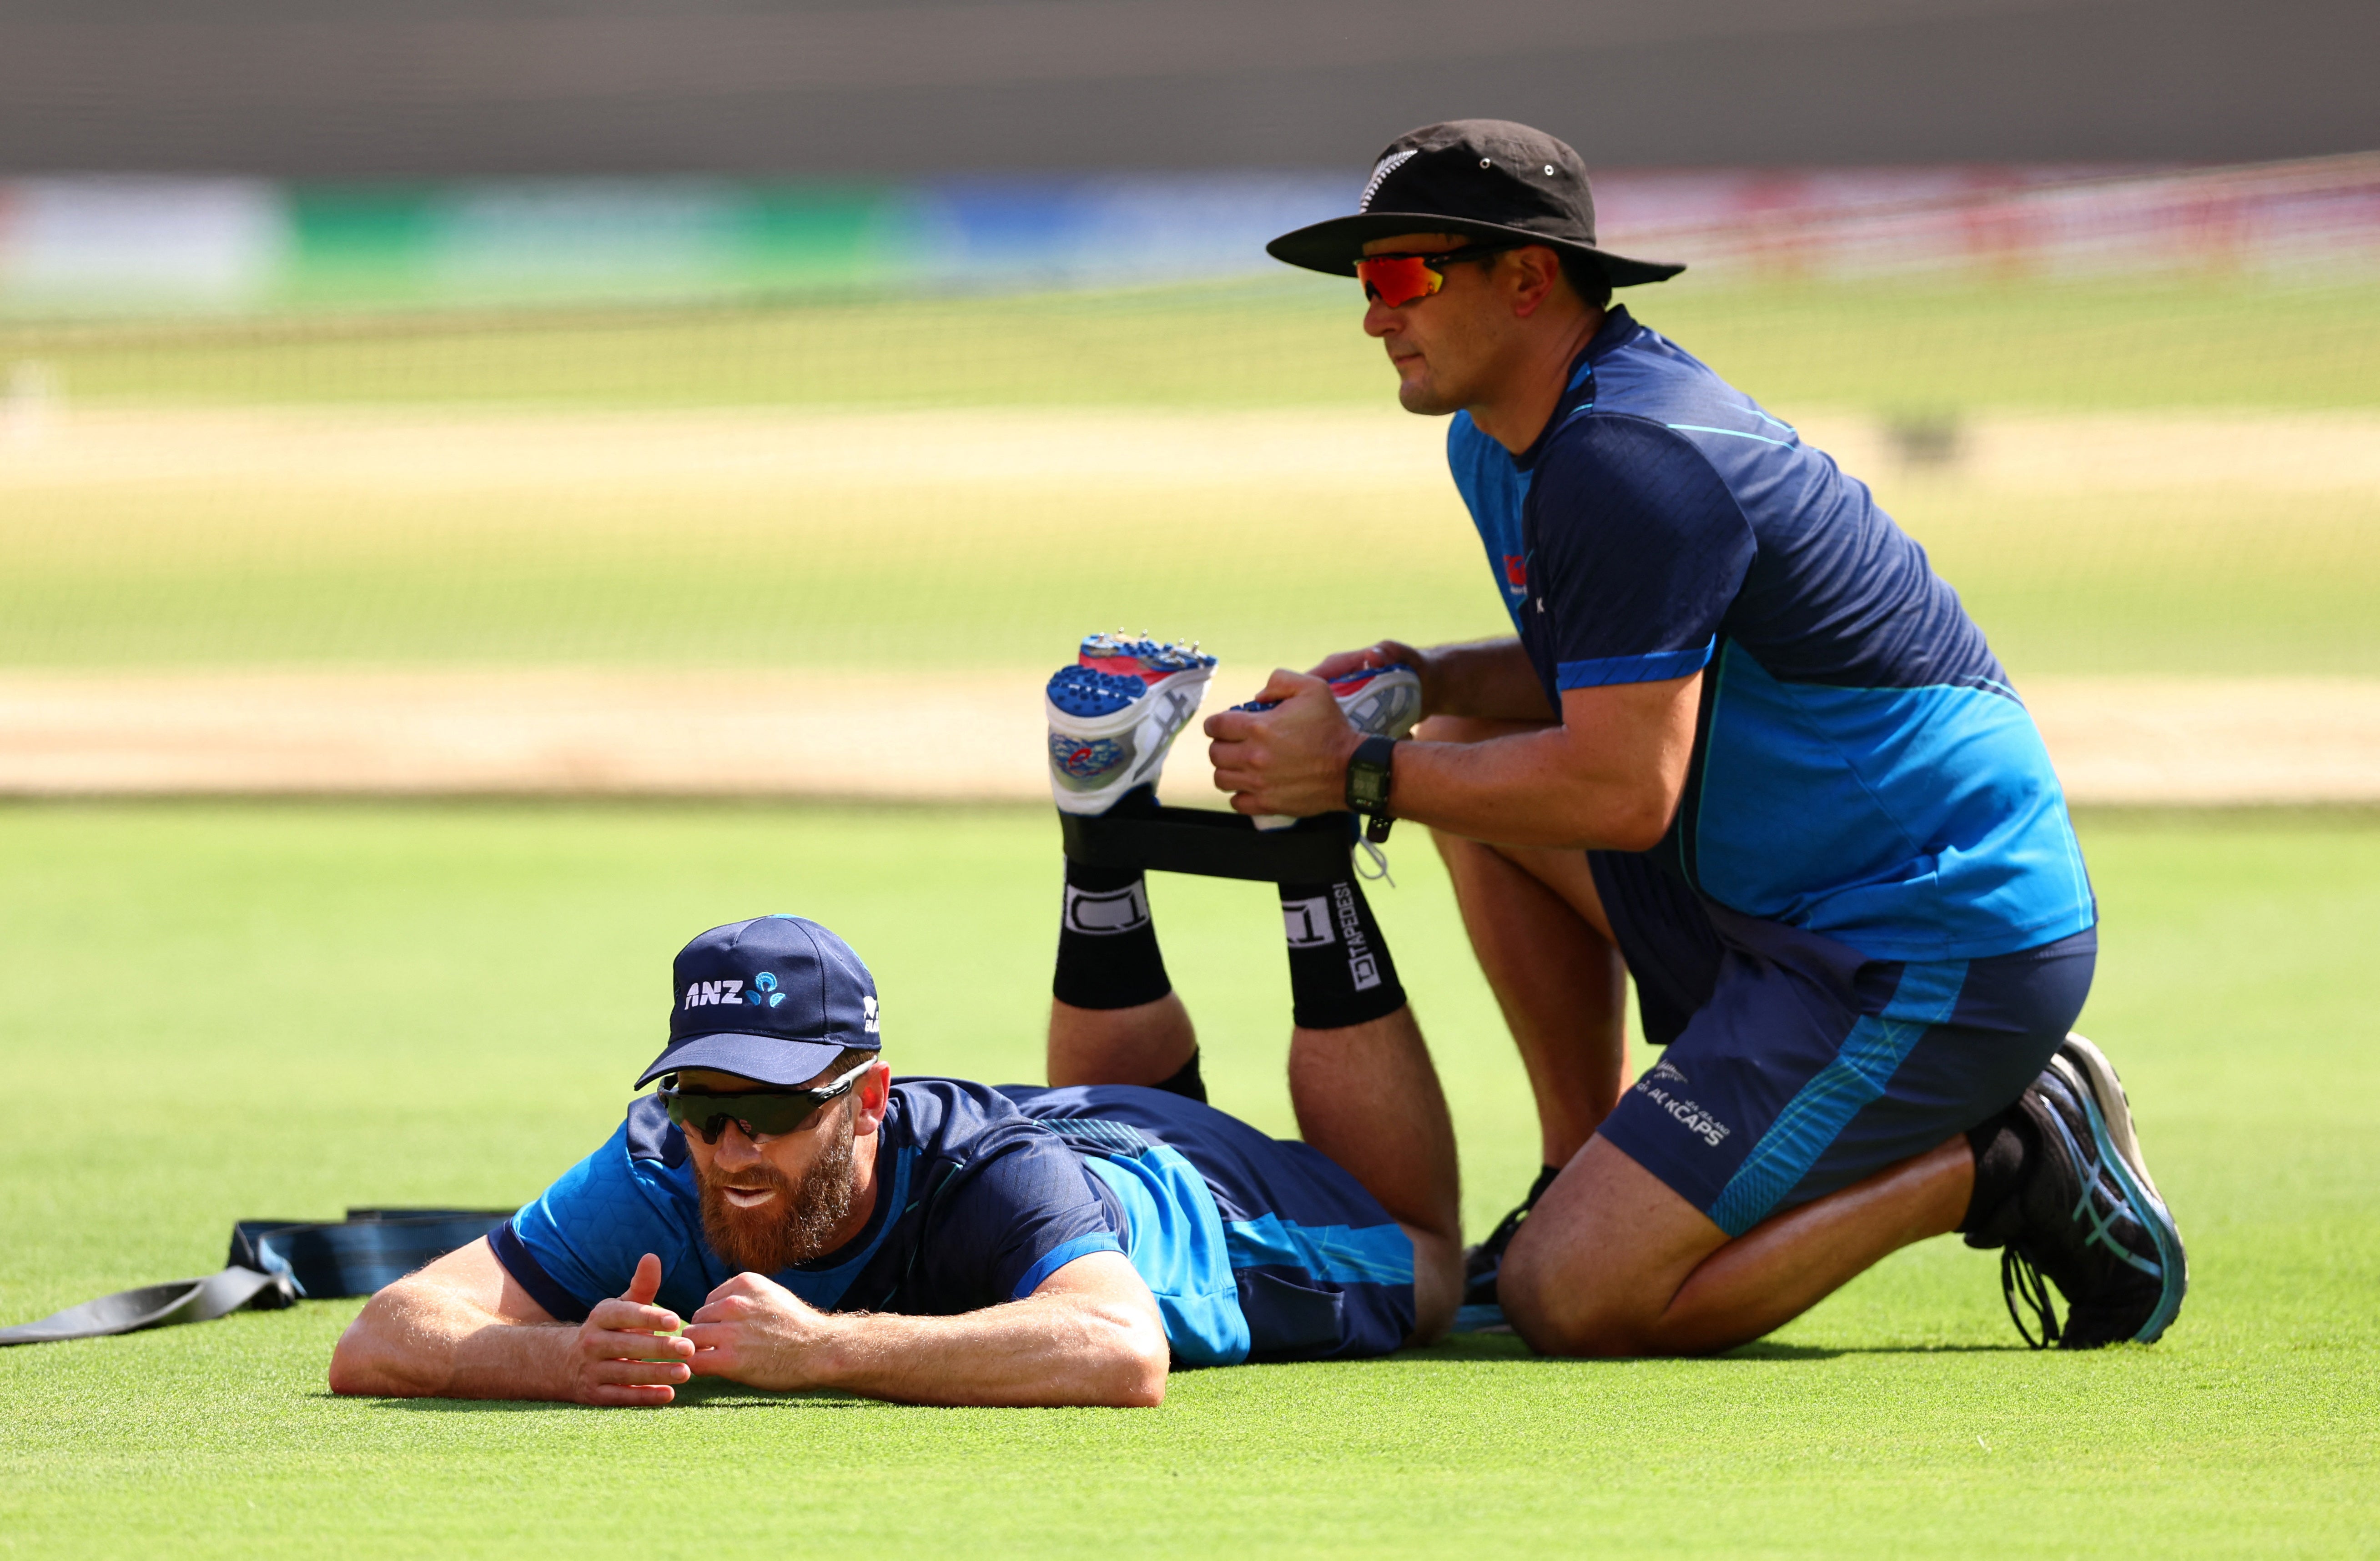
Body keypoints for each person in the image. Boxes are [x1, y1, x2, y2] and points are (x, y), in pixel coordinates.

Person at [1197, 119, 2185, 1353]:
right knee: (1460, 728)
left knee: (1578, 1300)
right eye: (1366, 282)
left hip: (1928, 940)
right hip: (1781, 896)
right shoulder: (1508, 440)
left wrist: (1357, 775)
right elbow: (1601, 677)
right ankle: (1577, 1165)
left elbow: (1620, 790)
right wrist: (1419, 676)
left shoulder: (1626, 458)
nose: (1371, 315)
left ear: (1525, 277)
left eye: (1403, 276)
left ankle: (2011, 1152)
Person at [328, 892, 1460, 1408]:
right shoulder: (662, 1166)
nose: (730, 1146)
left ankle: (1311, 877)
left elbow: (1122, 1351)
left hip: (1193, 1205)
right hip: (1046, 1147)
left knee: (1439, 1275)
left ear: (865, 1097)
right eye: (700, 1101)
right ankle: (1105, 847)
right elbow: (383, 1336)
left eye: (772, 1109)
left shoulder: (984, 1172)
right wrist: (560, 1358)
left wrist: (820, 1348)